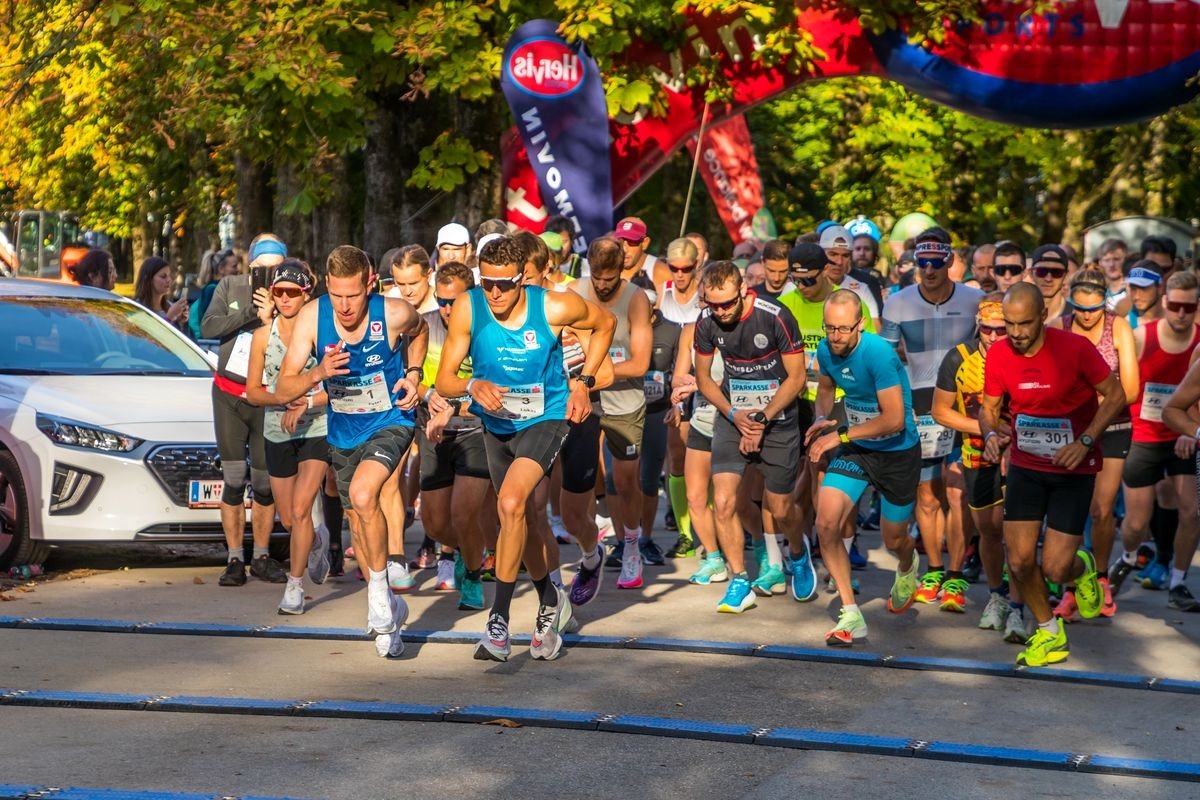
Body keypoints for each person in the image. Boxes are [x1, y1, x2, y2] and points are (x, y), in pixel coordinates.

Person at [435, 235, 615, 662]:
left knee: (512, 503)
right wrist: (471, 384)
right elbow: (443, 381)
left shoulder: (554, 306)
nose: (494, 293)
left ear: (522, 279)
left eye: (505, 284)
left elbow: (605, 323)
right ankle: (551, 600)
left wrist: (584, 383)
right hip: (497, 425)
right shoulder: (468, 306)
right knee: (520, 520)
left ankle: (498, 623)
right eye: (487, 283)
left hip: (546, 417)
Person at [275, 244, 429, 659]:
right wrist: (318, 373)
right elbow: (282, 388)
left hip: (391, 419)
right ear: (327, 287)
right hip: (344, 433)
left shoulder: (393, 313)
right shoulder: (312, 317)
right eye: (338, 295)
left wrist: (413, 375)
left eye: (354, 295)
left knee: (365, 496)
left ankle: (379, 594)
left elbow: (421, 331)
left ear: (370, 285)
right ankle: (391, 614)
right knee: (359, 522)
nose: (345, 306)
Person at [980, 283, 1125, 666]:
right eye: (1009, 324)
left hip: (1072, 468)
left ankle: (1084, 568)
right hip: (1027, 466)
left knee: (1057, 568)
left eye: (1024, 324)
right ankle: (1049, 633)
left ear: (1044, 316)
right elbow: (989, 407)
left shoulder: (1074, 349)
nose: (1015, 333)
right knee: (1020, 561)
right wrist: (991, 433)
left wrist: (1087, 439)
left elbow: (1116, 394)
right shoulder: (998, 353)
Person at [805, 290, 922, 645]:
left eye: (842, 329)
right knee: (826, 522)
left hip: (897, 451)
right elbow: (825, 388)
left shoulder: (879, 355)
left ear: (861, 324)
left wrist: (839, 434)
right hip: (857, 448)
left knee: (893, 538)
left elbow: (894, 420)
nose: (835, 337)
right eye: (829, 329)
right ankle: (851, 612)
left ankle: (907, 564)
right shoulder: (826, 350)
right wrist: (823, 419)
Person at [693, 261, 807, 614]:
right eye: (714, 305)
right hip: (733, 415)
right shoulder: (706, 322)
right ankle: (740, 580)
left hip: (778, 418)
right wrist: (732, 414)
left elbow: (797, 377)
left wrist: (762, 417)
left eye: (727, 303)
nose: (722, 311)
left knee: (781, 507)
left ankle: (799, 554)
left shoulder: (776, 316)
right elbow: (704, 379)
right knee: (724, 501)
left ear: (743, 290)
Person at [881, 229, 983, 611]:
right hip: (919, 404)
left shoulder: (974, 299)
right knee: (926, 494)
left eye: (936, 263)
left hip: (962, 402)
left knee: (958, 492)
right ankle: (935, 568)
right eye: (922, 262)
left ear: (950, 261)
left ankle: (956, 576)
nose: (928, 270)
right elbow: (887, 361)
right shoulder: (898, 302)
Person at [932, 293, 1025, 641]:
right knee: (988, 531)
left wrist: (1009, 434)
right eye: (987, 329)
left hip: (1019, 457)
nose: (994, 337)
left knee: (1017, 533)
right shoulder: (958, 357)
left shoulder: (1022, 356)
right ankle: (997, 595)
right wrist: (985, 429)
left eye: (1002, 330)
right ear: (977, 325)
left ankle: (1017, 605)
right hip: (975, 455)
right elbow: (941, 412)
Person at [565, 236, 654, 594]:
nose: (602, 285)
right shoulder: (574, 290)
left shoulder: (635, 299)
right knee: (582, 479)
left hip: (623, 400)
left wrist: (599, 372)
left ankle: (631, 543)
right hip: (582, 397)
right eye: (597, 277)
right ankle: (591, 546)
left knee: (625, 480)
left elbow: (641, 363)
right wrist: (584, 379)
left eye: (610, 278)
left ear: (623, 270)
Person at [1108, 271, 1200, 612]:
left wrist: (1189, 431)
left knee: (1192, 512)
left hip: (1182, 438)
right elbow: (1121, 383)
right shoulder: (1140, 336)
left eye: (1188, 308)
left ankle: (1178, 583)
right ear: (1165, 303)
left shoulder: (1199, 344)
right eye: (1175, 306)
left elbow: (1196, 396)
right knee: (1134, 523)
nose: (1180, 313)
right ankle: (1129, 557)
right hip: (1144, 435)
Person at [244, 259, 332, 615]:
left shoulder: (320, 332)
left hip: (316, 426)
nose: (283, 298)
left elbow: (337, 387)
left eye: (291, 292)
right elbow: (252, 392)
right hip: (276, 428)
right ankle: (315, 536)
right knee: (289, 518)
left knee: (300, 506)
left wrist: (307, 400)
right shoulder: (262, 337)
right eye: (278, 291)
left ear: (305, 294)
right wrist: (284, 398)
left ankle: (294, 588)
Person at [1049, 269, 1138, 620]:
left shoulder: (1118, 326)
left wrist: (1091, 408)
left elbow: (1130, 389)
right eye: (1080, 308)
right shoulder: (1059, 326)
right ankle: (1073, 586)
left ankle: (1100, 578)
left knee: (1102, 509)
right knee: (1073, 510)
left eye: (1095, 307)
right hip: (1070, 429)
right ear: (1071, 302)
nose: (1087, 315)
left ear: (1106, 301)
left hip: (1113, 427)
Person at [201, 235, 287, 589]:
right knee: (234, 478)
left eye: (275, 268)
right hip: (229, 396)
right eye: (261, 268)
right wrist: (252, 313)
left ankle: (262, 555)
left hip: (267, 399)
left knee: (265, 483)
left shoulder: (290, 294)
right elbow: (208, 327)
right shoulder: (230, 286)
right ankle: (235, 557)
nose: (268, 276)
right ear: (250, 264)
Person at [414, 261, 492, 612]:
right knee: (435, 523)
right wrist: (431, 397)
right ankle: (468, 550)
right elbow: (407, 380)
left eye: (453, 301)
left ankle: (473, 577)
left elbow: (497, 391)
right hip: (433, 432)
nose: (446, 309)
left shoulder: (488, 328)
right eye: (441, 301)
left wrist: (458, 410)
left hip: (475, 431)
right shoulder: (423, 327)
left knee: (463, 515)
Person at [190, 248, 240, 340]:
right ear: (221, 269)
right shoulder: (212, 290)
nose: (238, 270)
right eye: (234, 266)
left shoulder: (224, 290)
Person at [133, 256, 189, 330]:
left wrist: (181, 322)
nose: (169, 280)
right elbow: (148, 339)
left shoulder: (170, 307)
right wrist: (169, 318)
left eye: (169, 276)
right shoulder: (137, 309)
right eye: (163, 276)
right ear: (148, 279)